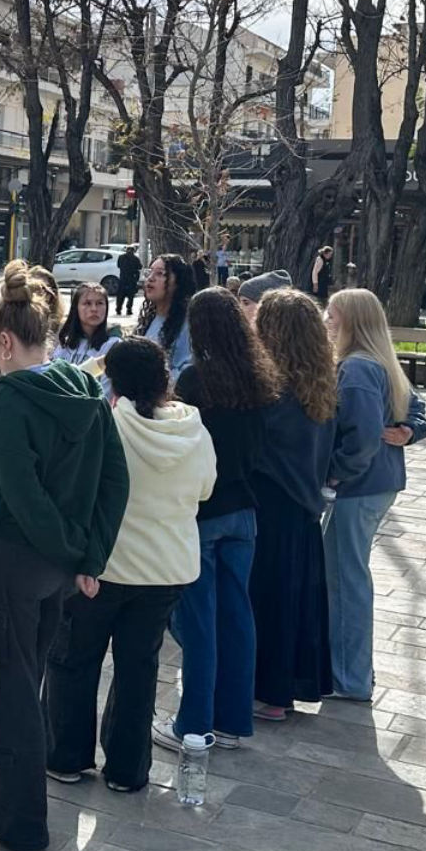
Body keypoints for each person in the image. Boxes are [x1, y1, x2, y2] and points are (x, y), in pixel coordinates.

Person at [0, 262, 128, 851]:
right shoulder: (88, 391)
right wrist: (88, 555)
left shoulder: (10, 398)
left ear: (4, 340)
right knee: (16, 680)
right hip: (62, 571)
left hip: (17, 565)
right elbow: (114, 482)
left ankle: (20, 824)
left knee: (10, 691)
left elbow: (16, 496)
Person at [44, 336, 213, 793]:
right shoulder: (193, 427)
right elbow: (205, 489)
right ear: (165, 378)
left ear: (113, 381)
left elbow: (80, 489)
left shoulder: (107, 424)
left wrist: (96, 367)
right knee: (139, 669)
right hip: (167, 568)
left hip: (103, 566)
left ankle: (66, 755)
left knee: (75, 661)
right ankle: (128, 769)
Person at [153, 287, 279, 755]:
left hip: (203, 512)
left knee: (199, 621)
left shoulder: (194, 380)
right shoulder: (259, 376)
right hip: (244, 510)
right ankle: (232, 720)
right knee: (237, 615)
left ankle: (193, 723)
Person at [325, 288, 426, 703]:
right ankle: (349, 673)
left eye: (333, 316)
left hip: (360, 486)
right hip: (375, 483)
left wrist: (334, 474)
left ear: (352, 322)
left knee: (345, 579)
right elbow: (415, 411)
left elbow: (365, 438)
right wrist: (410, 430)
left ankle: (349, 678)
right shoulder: (376, 363)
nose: (327, 322)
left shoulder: (357, 368)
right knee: (343, 575)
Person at [249, 289, 339, 721]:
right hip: (304, 500)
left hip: (272, 499)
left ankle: (269, 692)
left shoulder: (273, 385)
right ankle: (284, 688)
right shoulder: (320, 378)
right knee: (293, 597)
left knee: (267, 597)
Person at [137, 254, 196, 378]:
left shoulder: (188, 323)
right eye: (149, 272)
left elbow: (186, 373)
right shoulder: (149, 319)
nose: (151, 278)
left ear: (178, 282)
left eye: (159, 274)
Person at [53, 282, 121, 383]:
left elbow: (107, 390)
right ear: (76, 308)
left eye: (99, 303)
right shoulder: (66, 345)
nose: (94, 309)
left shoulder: (112, 345)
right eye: (87, 303)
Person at [115, 247, 142, 315]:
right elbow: (140, 267)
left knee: (121, 295)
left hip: (123, 279)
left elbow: (118, 265)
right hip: (131, 279)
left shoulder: (121, 257)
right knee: (131, 296)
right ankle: (129, 309)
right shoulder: (135, 259)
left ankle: (118, 308)